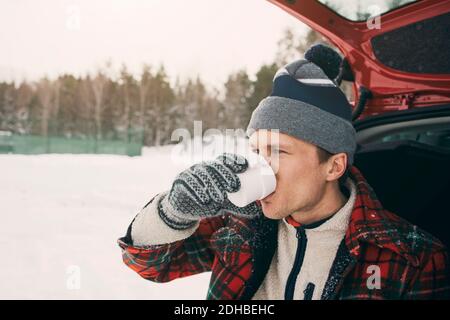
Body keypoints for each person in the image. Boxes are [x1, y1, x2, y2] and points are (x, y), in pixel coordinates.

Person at [118, 45, 449, 300]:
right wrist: (173, 211)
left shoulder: (413, 259)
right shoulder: (239, 224)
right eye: (257, 150)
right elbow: (149, 265)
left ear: (334, 166)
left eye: (277, 151)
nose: (261, 164)